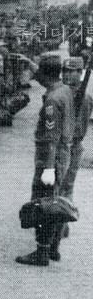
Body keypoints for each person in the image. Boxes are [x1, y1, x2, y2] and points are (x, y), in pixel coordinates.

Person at [16, 53, 73, 266]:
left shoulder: (51, 101)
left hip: (50, 158)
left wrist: (48, 167)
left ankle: (41, 252)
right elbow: (43, 75)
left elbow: (50, 138)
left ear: (46, 75)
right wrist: (31, 64)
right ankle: (53, 248)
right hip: (62, 154)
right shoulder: (64, 89)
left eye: (40, 72)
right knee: (55, 201)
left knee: (44, 204)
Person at [58, 56, 93, 202]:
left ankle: (62, 222)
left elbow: (80, 127)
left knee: (66, 186)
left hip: (72, 145)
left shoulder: (85, 98)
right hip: (57, 145)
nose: (67, 74)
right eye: (65, 71)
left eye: (72, 71)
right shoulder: (60, 92)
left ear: (80, 73)